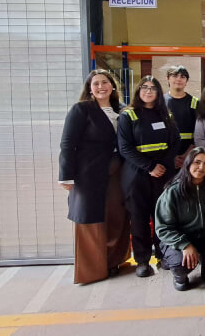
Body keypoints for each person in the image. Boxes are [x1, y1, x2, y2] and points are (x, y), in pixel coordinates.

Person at [58, 69, 131, 284]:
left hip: (119, 171)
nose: (101, 87)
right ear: (89, 88)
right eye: (96, 83)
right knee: (90, 219)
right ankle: (93, 270)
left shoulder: (123, 110)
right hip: (88, 173)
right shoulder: (81, 110)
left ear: (113, 86)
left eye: (105, 82)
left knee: (117, 215)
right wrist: (66, 176)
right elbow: (67, 144)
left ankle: (114, 261)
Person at [117, 76, 180, 277]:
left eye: (153, 88)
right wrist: (150, 166)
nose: (148, 91)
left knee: (162, 217)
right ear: (138, 91)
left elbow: (175, 142)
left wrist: (162, 165)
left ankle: (164, 256)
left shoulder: (166, 115)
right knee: (139, 218)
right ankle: (142, 260)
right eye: (144, 87)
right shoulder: (128, 116)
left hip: (162, 174)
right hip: (137, 175)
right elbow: (125, 148)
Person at [155, 147, 205, 291]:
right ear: (188, 163)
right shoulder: (173, 191)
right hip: (180, 239)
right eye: (197, 162)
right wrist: (184, 245)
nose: (201, 167)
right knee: (181, 265)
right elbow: (163, 227)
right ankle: (179, 275)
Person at [164, 66, 199, 170]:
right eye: (175, 76)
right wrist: (170, 157)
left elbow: (198, 132)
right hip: (165, 155)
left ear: (186, 81)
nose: (178, 79)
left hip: (189, 155)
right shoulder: (160, 102)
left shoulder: (195, 103)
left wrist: (187, 155)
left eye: (182, 77)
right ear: (168, 78)